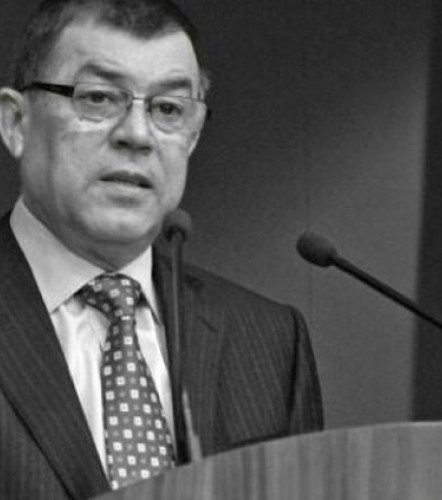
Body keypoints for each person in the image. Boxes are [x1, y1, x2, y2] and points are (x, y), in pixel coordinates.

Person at [0, 0, 323, 499]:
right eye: (98, 98)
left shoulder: (269, 338)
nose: (137, 135)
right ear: (16, 123)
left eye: (168, 109)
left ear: (192, 137)